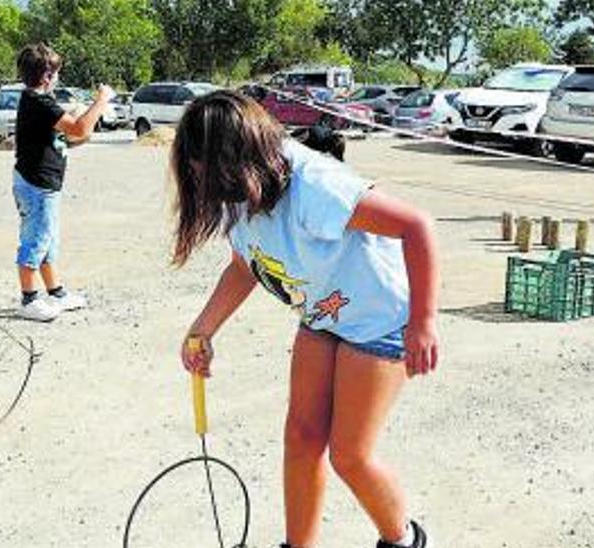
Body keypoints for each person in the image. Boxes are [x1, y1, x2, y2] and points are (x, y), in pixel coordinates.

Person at [171, 91, 440, 548]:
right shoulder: (239, 189)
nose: (199, 180)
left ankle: (403, 540)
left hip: (380, 320)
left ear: (239, 158)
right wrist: (202, 329)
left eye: (204, 170)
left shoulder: (316, 186)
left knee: (350, 455)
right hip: (324, 315)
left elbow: (416, 225)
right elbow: (246, 265)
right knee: (300, 437)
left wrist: (423, 322)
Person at [11, 43, 115, 321]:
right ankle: (28, 300)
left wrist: (81, 131)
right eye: (56, 73)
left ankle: (56, 293)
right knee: (36, 241)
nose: (58, 77)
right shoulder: (38, 102)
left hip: (44, 183)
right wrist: (102, 100)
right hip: (36, 184)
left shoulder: (39, 102)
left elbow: (74, 135)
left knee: (48, 241)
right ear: (46, 76)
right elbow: (80, 128)